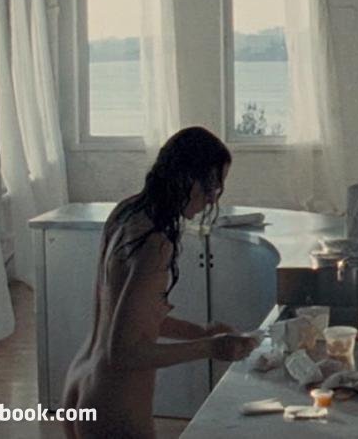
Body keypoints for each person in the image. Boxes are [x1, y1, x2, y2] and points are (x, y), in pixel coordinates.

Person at [61, 127, 259, 438]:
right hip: (116, 405)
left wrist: (201, 331)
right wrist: (210, 347)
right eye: (210, 186)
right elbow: (124, 352)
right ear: (184, 176)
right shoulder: (155, 241)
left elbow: (129, 319)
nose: (212, 198)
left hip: (83, 382)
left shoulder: (128, 212)